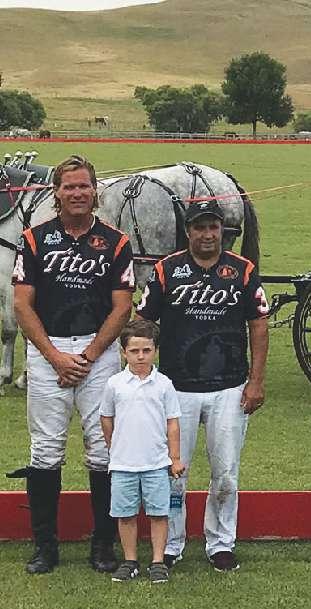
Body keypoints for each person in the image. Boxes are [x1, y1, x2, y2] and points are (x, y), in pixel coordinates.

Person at [10, 155, 135, 575]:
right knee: (46, 450)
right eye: (69, 187)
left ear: (95, 191)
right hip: (49, 350)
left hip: (97, 352)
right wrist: (55, 357)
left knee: (103, 450)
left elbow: (122, 307)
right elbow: (22, 305)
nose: (77, 193)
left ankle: (103, 545)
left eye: (84, 186)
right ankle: (45, 547)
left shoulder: (116, 241)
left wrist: (88, 356)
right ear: (56, 192)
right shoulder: (34, 239)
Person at [136, 199, 269, 573]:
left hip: (229, 386)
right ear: (188, 231)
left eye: (214, 227)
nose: (207, 234)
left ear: (222, 230)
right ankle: (171, 543)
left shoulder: (242, 270)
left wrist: (256, 381)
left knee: (225, 472)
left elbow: (259, 325)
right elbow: (143, 322)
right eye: (200, 227)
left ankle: (221, 543)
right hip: (176, 387)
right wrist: (143, 374)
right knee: (174, 472)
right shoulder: (166, 270)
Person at [99, 319, 185, 583]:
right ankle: (130, 560)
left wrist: (174, 458)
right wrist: (115, 448)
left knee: (159, 513)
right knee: (125, 515)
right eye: (134, 351)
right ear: (124, 352)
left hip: (156, 464)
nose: (140, 356)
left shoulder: (164, 384)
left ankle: (158, 561)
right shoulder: (114, 384)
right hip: (123, 465)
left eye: (146, 350)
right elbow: (106, 418)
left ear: (155, 350)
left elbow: (172, 422)